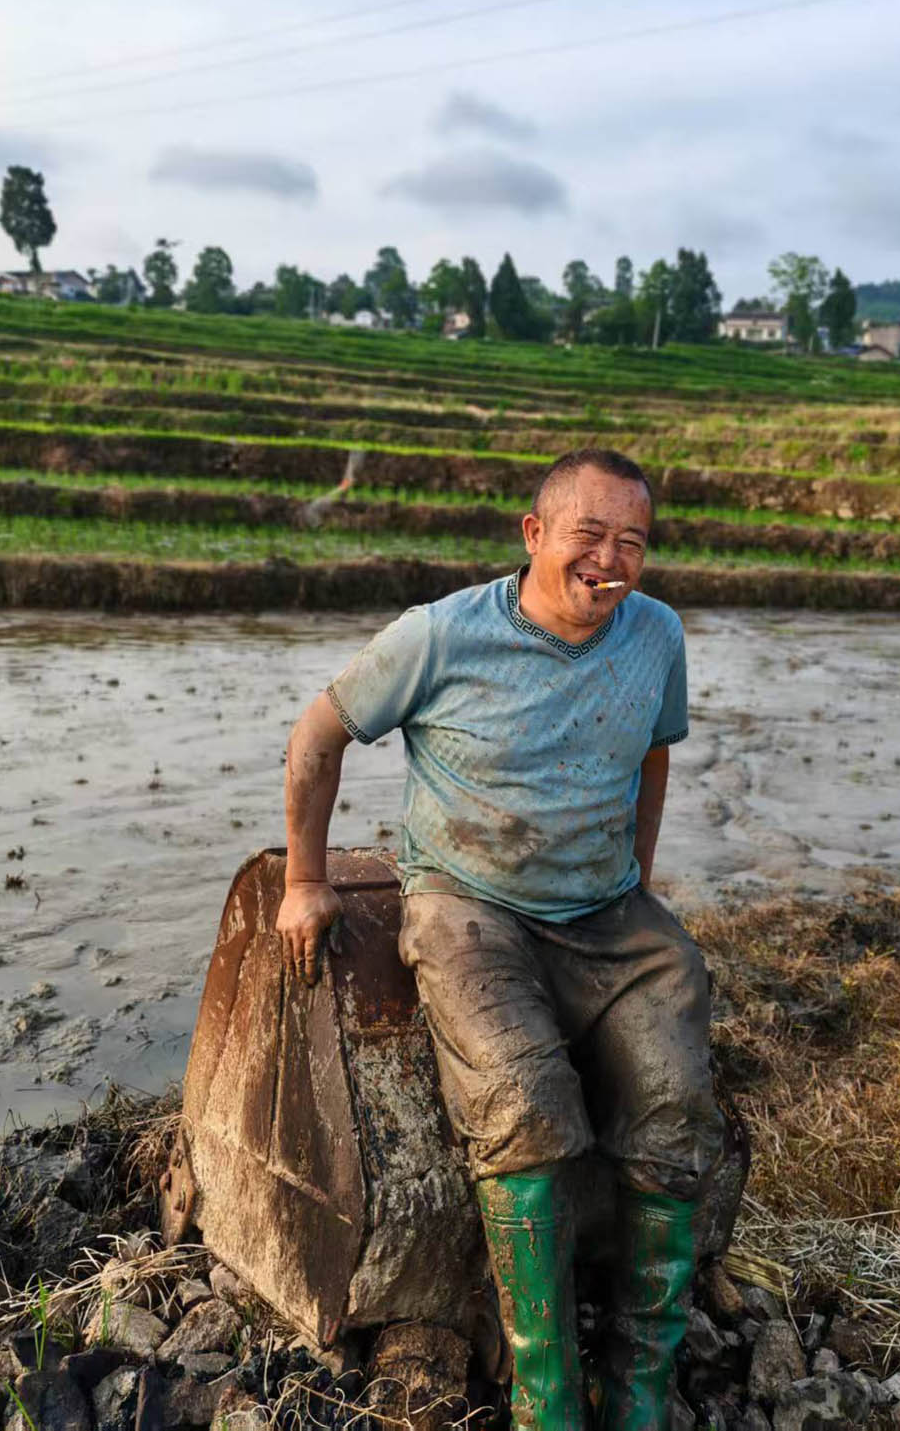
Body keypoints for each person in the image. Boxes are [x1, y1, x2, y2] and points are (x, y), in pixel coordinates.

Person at [280, 447, 725, 1430]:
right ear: (534, 534)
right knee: (525, 1100)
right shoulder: (441, 636)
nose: (610, 560)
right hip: (469, 905)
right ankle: (548, 1396)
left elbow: (652, 754)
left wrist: (637, 886)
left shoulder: (655, 634)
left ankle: (642, 1385)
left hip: (605, 913)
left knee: (679, 1106)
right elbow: (318, 733)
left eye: (633, 542)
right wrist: (305, 879)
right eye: (590, 535)